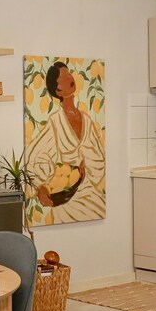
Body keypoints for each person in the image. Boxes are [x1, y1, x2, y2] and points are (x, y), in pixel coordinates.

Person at [25, 61, 106, 222]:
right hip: (67, 200)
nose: (70, 77)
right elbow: (36, 156)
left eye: (69, 73)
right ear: (58, 90)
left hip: (91, 192)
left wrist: (86, 164)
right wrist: (41, 187)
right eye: (64, 76)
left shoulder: (87, 119)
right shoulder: (56, 122)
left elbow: (99, 158)